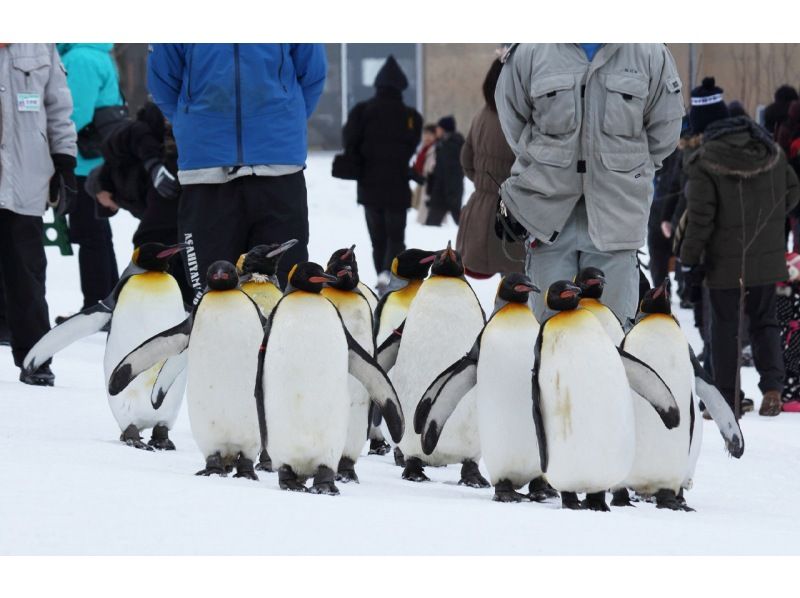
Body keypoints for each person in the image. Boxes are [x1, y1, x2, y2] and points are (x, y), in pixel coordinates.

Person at [495, 43, 685, 324]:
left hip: (617, 217)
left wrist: (629, 170)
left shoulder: (648, 53)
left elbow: (665, 130)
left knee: (611, 334)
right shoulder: (531, 51)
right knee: (551, 334)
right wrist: (545, 166)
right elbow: (512, 119)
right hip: (548, 219)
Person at [148, 43, 327, 299]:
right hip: (206, 171)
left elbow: (313, 74)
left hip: (278, 168)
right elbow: (162, 82)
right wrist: (195, 124)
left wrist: (285, 117)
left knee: (284, 288)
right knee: (211, 290)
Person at [680, 77, 800, 418]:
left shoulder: (704, 160)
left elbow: (700, 219)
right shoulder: (769, 150)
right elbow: (792, 193)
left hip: (723, 262)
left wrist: (689, 261)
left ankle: (728, 398)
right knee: (765, 321)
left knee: (725, 329)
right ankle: (773, 389)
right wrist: (770, 220)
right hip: (766, 255)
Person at [0, 43, 77, 385]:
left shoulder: (40, 43)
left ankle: (35, 358)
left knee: (27, 273)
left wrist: (65, 161)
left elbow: (59, 107)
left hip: (25, 178)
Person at [85, 102, 193, 304]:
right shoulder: (129, 197)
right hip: (176, 194)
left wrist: (153, 165)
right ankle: (172, 307)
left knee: (149, 245)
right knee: (167, 248)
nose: (109, 207)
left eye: (103, 203)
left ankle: (161, 306)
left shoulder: (113, 151)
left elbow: (137, 132)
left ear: (100, 190)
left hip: (179, 172)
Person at [342, 55, 422, 291]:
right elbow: (411, 144)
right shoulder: (410, 116)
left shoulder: (361, 111)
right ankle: (392, 271)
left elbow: (349, 142)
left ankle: (381, 272)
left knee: (377, 236)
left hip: (369, 185)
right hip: (397, 185)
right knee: (396, 235)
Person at [57, 44, 122, 311]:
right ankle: (109, 301)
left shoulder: (80, 57)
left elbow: (75, 112)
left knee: (90, 236)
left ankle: (96, 306)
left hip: (84, 162)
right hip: (95, 158)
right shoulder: (95, 52)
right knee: (98, 235)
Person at [457, 58, 525, 277]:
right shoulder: (524, 119)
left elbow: (466, 161)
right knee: (519, 288)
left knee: (504, 291)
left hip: (480, 210)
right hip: (516, 214)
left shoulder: (481, 115)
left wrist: (485, 183)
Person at [425, 116, 464, 226]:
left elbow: (452, 173)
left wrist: (451, 195)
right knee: (432, 224)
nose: (436, 130)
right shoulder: (443, 144)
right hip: (442, 192)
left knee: (461, 224)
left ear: (444, 129)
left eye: (438, 127)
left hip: (447, 193)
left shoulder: (451, 146)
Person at [411, 124, 437, 225]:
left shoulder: (435, 149)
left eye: (430, 135)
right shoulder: (423, 148)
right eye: (425, 134)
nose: (427, 137)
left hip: (429, 182)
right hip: (421, 180)